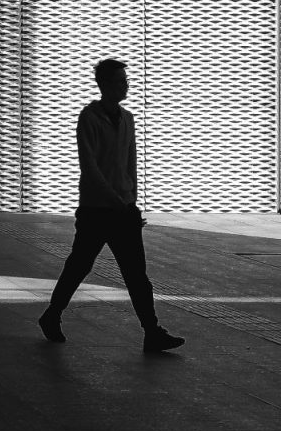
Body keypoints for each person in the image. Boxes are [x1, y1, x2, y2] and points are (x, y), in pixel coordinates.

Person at [38, 58, 185, 352]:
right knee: (79, 266)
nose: (125, 85)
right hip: (96, 209)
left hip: (122, 209)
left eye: (126, 81)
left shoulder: (128, 118)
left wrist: (131, 201)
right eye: (119, 81)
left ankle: (151, 331)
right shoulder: (89, 118)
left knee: (136, 274)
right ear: (103, 85)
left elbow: (130, 163)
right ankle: (52, 314)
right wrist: (117, 201)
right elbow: (89, 167)